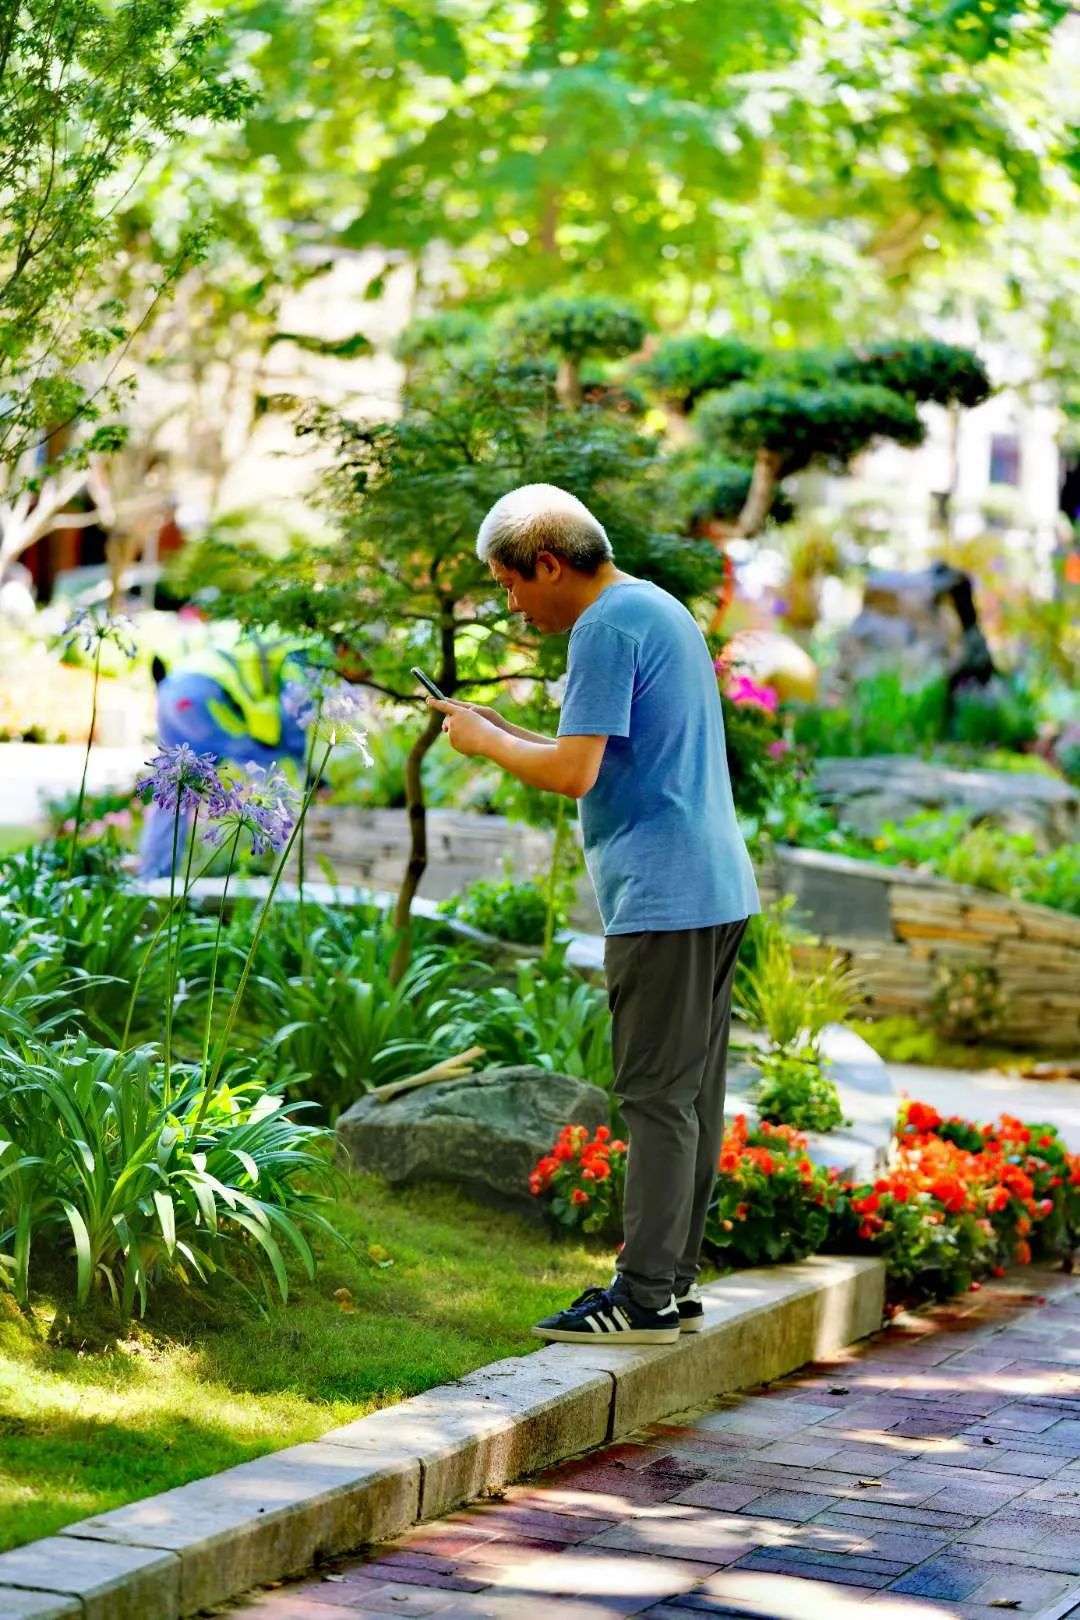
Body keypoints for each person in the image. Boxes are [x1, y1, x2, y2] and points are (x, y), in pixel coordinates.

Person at [428, 483, 759, 1345]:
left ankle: (642, 1295)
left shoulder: (603, 629)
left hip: (664, 896)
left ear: (547, 562)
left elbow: (574, 774)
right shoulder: (654, 607)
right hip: (715, 888)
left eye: (509, 584)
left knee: (654, 1099)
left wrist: (486, 743)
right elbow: (603, 757)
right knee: (689, 1099)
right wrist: (503, 728)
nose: (512, 604)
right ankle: (671, 1283)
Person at [139, 627, 314, 878]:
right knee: (270, 770)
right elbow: (293, 711)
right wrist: (300, 757)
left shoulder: (239, 643)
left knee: (172, 794)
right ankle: (293, 862)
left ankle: (152, 880)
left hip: (170, 695)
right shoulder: (297, 653)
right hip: (205, 697)